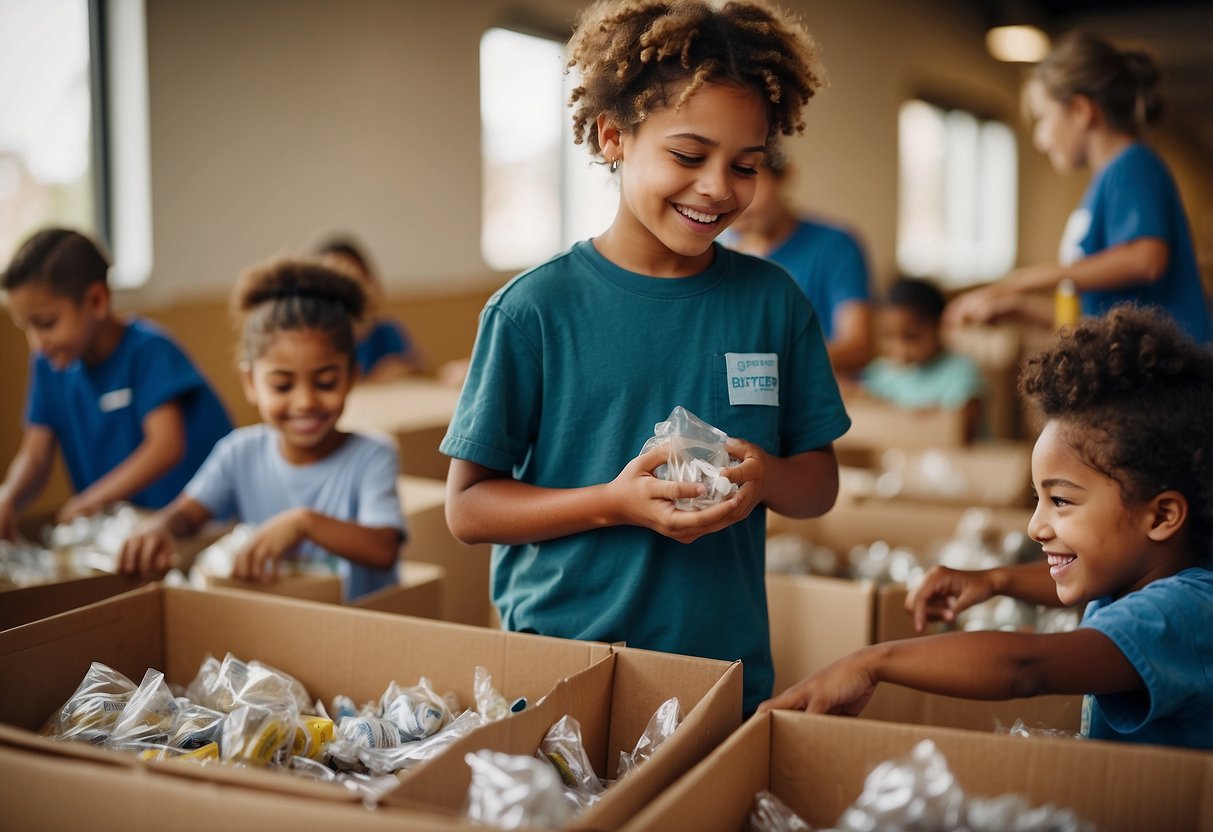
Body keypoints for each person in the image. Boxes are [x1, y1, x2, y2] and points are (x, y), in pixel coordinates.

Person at [440, 0, 850, 716]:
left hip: (716, 671)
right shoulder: (533, 310)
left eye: (746, 165)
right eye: (688, 156)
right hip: (558, 669)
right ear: (611, 138)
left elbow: (816, 484)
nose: (719, 187)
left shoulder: (772, 302)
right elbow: (468, 509)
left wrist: (763, 478)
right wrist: (612, 505)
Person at [760, 305, 1213, 751]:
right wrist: (995, 580)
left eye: (1061, 501)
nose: (1036, 526)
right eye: (1038, 499)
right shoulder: (1135, 577)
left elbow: (1025, 667)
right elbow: (1079, 594)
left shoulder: (1184, 613)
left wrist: (873, 661)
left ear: (1161, 517)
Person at [118, 258, 406, 601]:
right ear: (251, 382)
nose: (304, 402)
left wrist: (304, 523)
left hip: (354, 631)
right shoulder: (239, 452)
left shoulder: (373, 455)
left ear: (352, 377)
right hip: (274, 627)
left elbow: (384, 548)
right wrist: (159, 529)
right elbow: (186, 515)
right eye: (283, 386)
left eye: (326, 382)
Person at [945, 32, 1210, 343]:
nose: (1040, 140)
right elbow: (1099, 318)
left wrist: (1021, 280)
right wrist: (1018, 307)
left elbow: (1146, 260)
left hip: (1172, 378)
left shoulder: (1133, 165)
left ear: (1081, 111)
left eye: (1043, 118)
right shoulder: (1103, 185)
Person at [0, 228, 232, 540]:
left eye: (46, 323)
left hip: (190, 529)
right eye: (26, 328)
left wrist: (90, 501)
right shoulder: (48, 364)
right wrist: (8, 496)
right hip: (123, 532)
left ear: (96, 300)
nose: (37, 343)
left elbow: (165, 447)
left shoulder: (150, 350)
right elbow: (36, 454)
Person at [728, 149, 874, 375]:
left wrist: (762, 363)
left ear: (783, 176)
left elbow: (858, 346)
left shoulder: (834, 245)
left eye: (747, 175)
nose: (738, 199)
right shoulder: (715, 250)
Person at [860, 277, 985, 441]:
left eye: (911, 336)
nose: (899, 348)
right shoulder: (879, 373)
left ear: (938, 327)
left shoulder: (963, 372)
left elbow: (962, 429)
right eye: (888, 336)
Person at [316, 236, 427, 381]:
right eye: (330, 283)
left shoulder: (386, 332)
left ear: (370, 284)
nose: (341, 293)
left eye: (353, 281)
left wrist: (406, 367)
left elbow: (414, 367)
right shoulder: (314, 340)